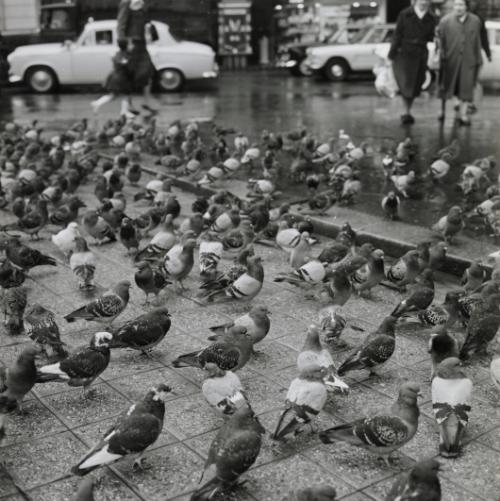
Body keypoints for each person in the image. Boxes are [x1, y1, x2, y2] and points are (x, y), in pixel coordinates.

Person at [388, 0, 437, 125]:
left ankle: (408, 110)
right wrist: (391, 55)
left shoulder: (431, 17)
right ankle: (406, 112)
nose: (424, 2)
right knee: (406, 84)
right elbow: (397, 35)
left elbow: (432, 38)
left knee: (416, 85)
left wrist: (433, 50)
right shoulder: (405, 14)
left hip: (421, 54)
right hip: (405, 54)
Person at [438, 0, 484, 126]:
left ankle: (463, 115)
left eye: (461, 5)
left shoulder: (475, 21)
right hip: (450, 59)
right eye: (456, 5)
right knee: (447, 86)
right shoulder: (445, 21)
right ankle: (442, 111)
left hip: (469, 59)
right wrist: (442, 56)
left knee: (466, 86)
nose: (458, 8)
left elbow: (477, 41)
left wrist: (478, 59)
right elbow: (441, 42)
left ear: (466, 6)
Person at [117, 0, 158, 114]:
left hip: (142, 45)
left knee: (148, 72)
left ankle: (146, 101)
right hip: (131, 45)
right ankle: (125, 108)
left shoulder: (142, 4)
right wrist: (124, 44)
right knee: (129, 75)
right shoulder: (126, 3)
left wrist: (150, 28)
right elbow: (121, 25)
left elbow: (146, 22)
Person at [91, 39, 135, 118]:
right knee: (125, 94)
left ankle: (97, 103)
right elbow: (123, 63)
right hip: (121, 78)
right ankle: (124, 111)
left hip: (119, 77)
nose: (132, 46)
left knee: (114, 95)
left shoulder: (122, 54)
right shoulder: (124, 55)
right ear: (126, 46)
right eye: (130, 44)